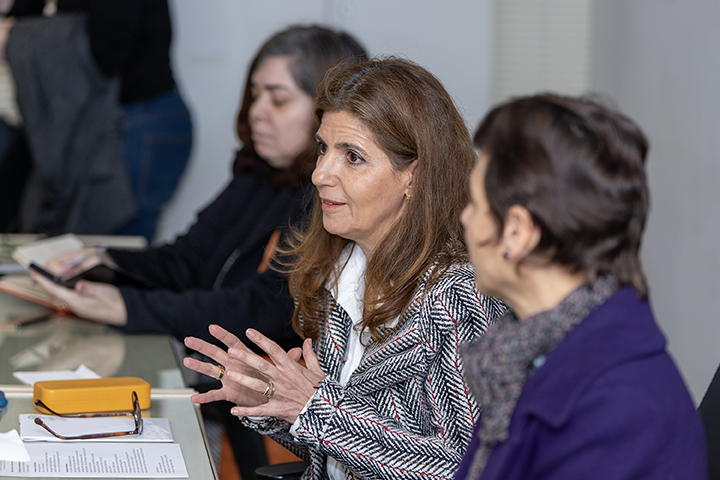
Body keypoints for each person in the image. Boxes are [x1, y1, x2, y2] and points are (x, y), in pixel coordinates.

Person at [29, 25, 368, 479]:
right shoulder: (258, 173)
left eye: (278, 99)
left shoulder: (327, 205)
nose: (256, 113)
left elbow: (262, 307)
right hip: (212, 381)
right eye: (254, 96)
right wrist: (107, 261)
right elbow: (188, 257)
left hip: (251, 417)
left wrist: (128, 306)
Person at [182, 57, 507, 480]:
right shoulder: (342, 271)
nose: (319, 174)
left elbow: (471, 468)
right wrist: (268, 400)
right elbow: (340, 452)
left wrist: (313, 408)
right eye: (322, 148)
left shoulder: (461, 299)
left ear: (414, 174)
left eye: (352, 157)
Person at [455, 93, 707, 480]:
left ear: (518, 233)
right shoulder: (522, 357)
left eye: (474, 204)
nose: (464, 220)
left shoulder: (624, 409)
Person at [3, 0, 192, 243]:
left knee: (113, 253)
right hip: (111, 124)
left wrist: (16, 36)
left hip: (133, 127)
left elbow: (109, 50)